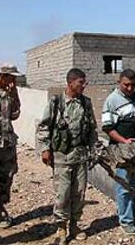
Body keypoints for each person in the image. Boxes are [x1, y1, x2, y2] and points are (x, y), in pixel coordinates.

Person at [37, 68, 98, 244]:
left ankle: (75, 225)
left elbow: (92, 129)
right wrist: (45, 149)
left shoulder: (86, 103)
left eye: (84, 82)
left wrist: (94, 150)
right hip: (61, 156)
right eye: (81, 82)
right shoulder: (56, 102)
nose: (84, 86)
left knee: (79, 193)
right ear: (70, 82)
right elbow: (43, 127)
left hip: (80, 156)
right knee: (62, 194)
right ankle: (61, 227)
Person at [101, 69, 135, 235]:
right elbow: (108, 128)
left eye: (132, 84)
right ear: (119, 83)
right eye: (126, 85)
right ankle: (126, 221)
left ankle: (131, 213)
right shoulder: (112, 100)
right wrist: (124, 141)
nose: (130, 88)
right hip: (122, 150)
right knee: (123, 185)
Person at [0, 64, 21, 228]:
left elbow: (15, 115)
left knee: (7, 175)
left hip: (7, 142)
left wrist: (15, 94)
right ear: (3, 76)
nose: (15, 80)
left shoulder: (8, 93)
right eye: (12, 77)